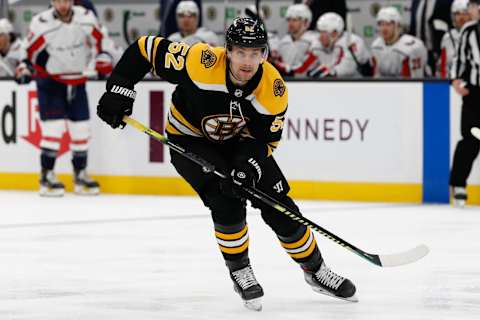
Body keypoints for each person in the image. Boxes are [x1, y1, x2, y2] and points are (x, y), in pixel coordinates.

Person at [97, 17, 357, 310]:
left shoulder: (273, 90)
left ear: (264, 54)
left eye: (255, 52)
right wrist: (119, 88)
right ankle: (240, 270)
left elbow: (264, 142)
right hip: (189, 138)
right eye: (241, 52)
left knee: (279, 206)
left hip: (240, 144)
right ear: (228, 51)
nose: (247, 61)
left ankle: (316, 271)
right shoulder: (200, 61)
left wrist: (247, 167)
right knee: (226, 200)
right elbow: (145, 48)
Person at [26, 0, 110, 196]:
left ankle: (80, 175)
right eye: (58, 0)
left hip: (77, 80)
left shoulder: (86, 18)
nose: (63, 4)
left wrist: (103, 57)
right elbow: (29, 52)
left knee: (81, 129)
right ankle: (46, 177)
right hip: (51, 83)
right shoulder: (41, 23)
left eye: (66, 0)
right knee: (53, 130)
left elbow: (101, 42)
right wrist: (28, 66)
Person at [449, 0, 480, 206]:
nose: (470, 11)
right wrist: (456, 79)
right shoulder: (469, 30)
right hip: (476, 93)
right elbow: (459, 59)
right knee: (470, 138)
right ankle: (458, 184)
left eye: (473, 6)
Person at [308, 12, 373, 78]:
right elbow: (309, 67)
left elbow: (348, 69)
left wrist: (327, 72)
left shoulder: (353, 41)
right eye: (319, 32)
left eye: (323, 32)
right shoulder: (317, 43)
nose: (320, 36)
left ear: (334, 33)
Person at [371, 7, 428, 78]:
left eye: (388, 24)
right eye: (381, 24)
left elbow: (413, 81)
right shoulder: (376, 46)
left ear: (397, 25)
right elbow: (376, 77)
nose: (384, 28)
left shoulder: (412, 46)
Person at [269, 4, 318, 77]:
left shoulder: (314, 41)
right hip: (287, 82)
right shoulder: (283, 42)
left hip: (309, 84)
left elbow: (302, 70)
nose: (290, 23)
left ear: (306, 22)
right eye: (289, 20)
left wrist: (277, 64)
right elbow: (279, 63)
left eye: (295, 20)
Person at [409, 0, 454, 75]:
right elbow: (413, 26)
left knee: (436, 83)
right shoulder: (416, 1)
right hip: (417, 53)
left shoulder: (446, 2)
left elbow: (451, 24)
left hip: (436, 52)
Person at [438, 0, 472, 78]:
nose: (461, 17)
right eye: (457, 14)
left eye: (465, 13)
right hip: (452, 83)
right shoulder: (447, 38)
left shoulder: (476, 34)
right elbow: (443, 68)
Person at [0, 18, 32, 83]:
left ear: (9, 36)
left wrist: (25, 70)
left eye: (0, 35)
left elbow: (27, 67)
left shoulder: (23, 50)